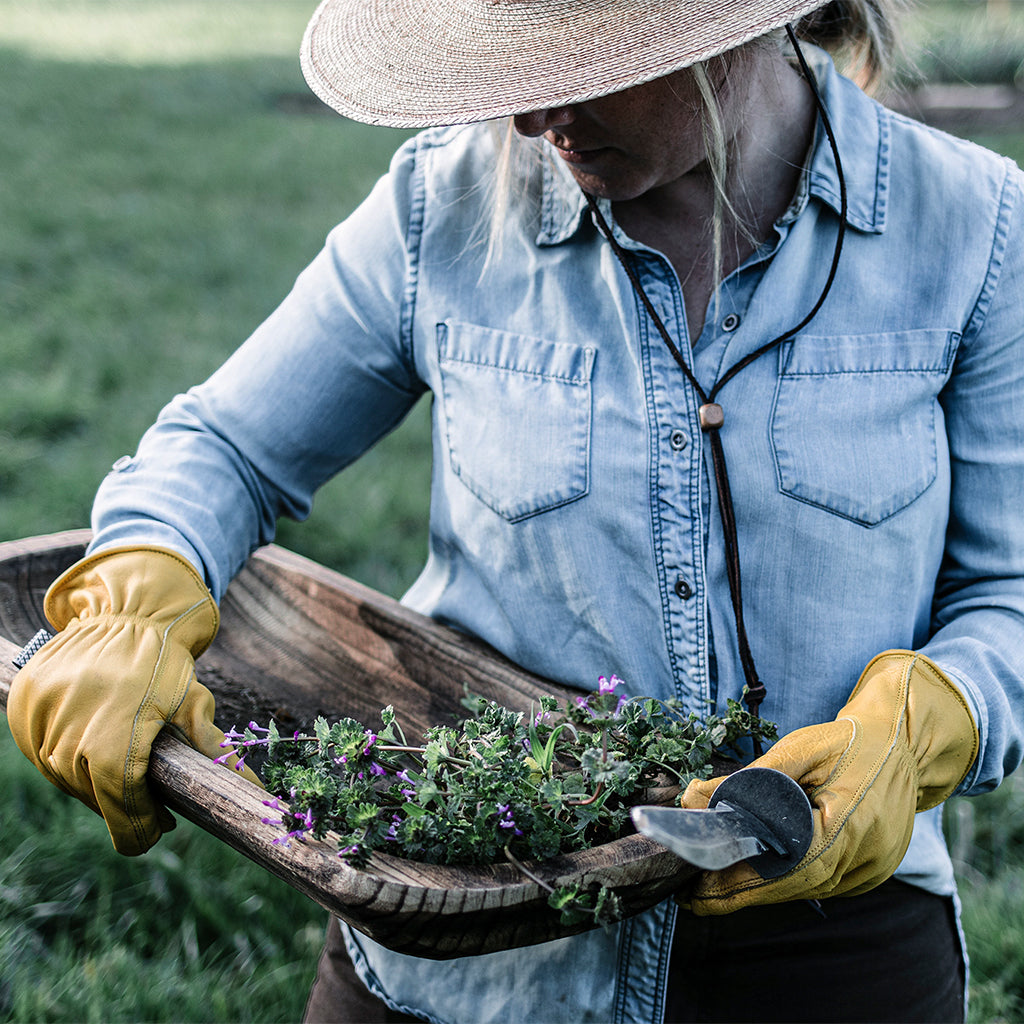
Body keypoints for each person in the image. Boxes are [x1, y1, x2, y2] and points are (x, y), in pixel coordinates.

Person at [7, 0, 1024, 1020]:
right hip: (469, 951)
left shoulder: (971, 230)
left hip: (819, 943)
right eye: (510, 67)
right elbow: (225, 448)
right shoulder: (440, 204)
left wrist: (930, 717)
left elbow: (1009, 588)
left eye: (584, 64)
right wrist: (136, 594)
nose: (533, 119)